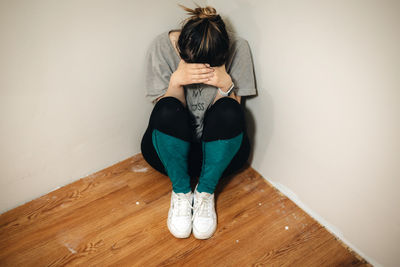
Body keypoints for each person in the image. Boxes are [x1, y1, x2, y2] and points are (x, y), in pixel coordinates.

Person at [140, 4, 257, 239]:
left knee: (230, 111)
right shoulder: (162, 46)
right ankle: (181, 194)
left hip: (219, 157)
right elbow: (167, 117)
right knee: (165, 109)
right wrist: (176, 82)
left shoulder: (239, 47)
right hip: (170, 155)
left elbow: (229, 115)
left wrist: (226, 85)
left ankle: (205, 193)